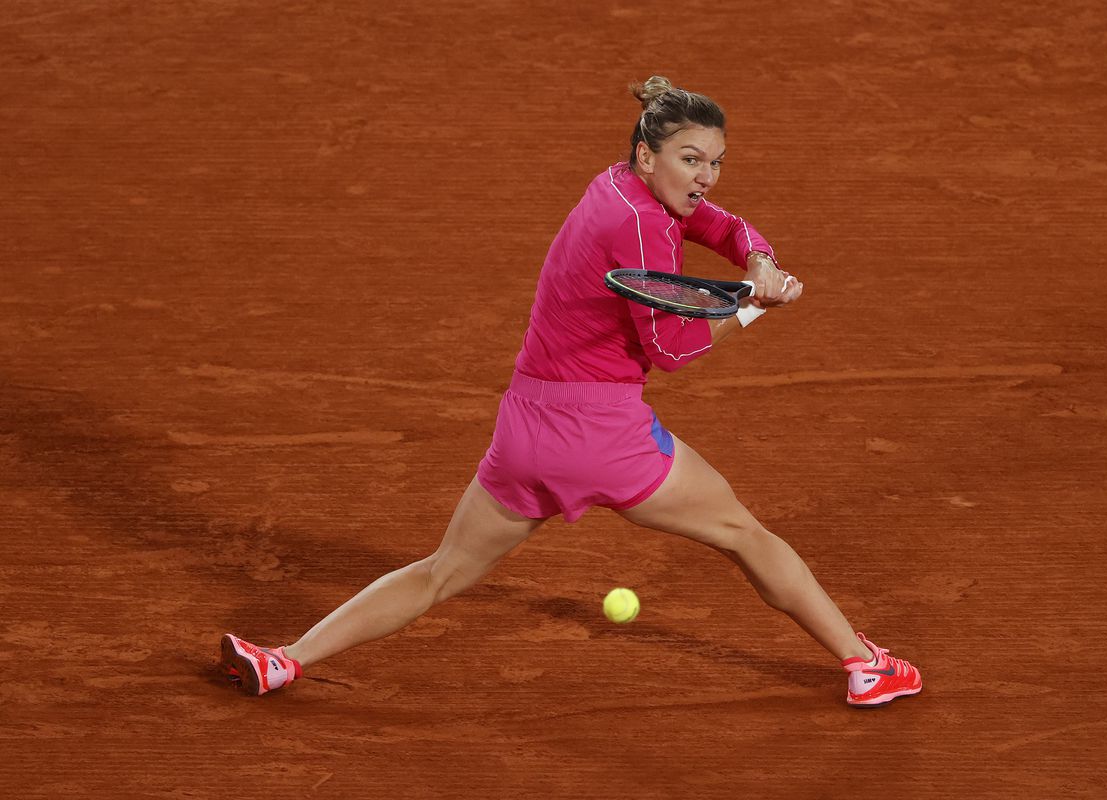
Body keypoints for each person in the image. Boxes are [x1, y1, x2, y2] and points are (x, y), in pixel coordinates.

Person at [220, 76, 922, 708]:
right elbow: (671, 351)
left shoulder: (614, 184)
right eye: (691, 159)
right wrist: (754, 308)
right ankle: (865, 666)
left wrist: (759, 258)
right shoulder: (644, 226)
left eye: (715, 161)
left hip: (525, 430)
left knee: (438, 572)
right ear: (649, 156)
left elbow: (715, 222)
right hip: (603, 434)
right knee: (743, 534)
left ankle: (284, 659)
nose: (705, 176)